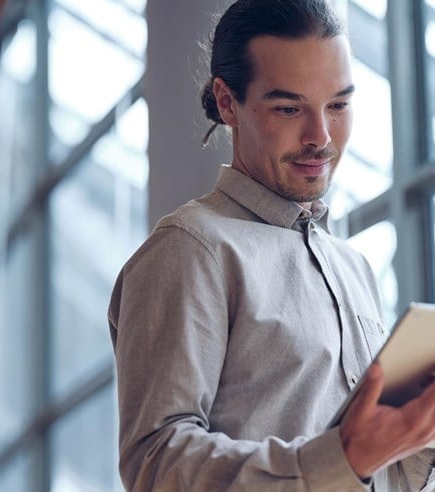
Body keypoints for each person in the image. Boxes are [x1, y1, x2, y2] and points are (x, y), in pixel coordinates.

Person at [108, 1, 435, 490]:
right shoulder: (191, 249)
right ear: (226, 101)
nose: (320, 136)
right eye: (289, 108)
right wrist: (341, 456)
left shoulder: (354, 267)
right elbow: (156, 463)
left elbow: (386, 470)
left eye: (339, 105)